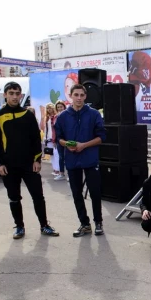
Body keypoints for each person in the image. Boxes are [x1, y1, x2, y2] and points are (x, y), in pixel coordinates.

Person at [0, 81, 59, 239]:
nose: (15, 97)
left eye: (17, 93)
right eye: (11, 93)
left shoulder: (28, 115)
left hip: (29, 164)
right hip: (9, 166)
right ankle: (19, 227)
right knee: (14, 198)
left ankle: (44, 225)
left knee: (38, 196)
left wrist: (37, 160)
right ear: (5, 95)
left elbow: (35, 138)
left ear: (21, 95)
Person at [55, 83, 106, 237]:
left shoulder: (94, 114)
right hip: (72, 160)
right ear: (70, 96)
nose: (79, 98)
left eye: (82, 95)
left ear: (85, 96)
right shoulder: (62, 116)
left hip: (90, 159)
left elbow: (101, 137)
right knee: (76, 193)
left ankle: (98, 222)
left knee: (95, 192)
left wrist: (84, 145)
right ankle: (84, 224)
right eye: (76, 95)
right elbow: (59, 138)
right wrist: (67, 144)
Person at [41, 103, 60, 176]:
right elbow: (45, 129)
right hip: (48, 138)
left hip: (54, 138)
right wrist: (45, 138)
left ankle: (58, 170)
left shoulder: (56, 117)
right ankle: (55, 169)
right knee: (51, 154)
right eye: (48, 108)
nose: (49, 109)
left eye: (50, 108)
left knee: (56, 154)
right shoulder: (47, 117)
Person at [54, 101, 67, 181]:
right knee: (61, 157)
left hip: (67, 140)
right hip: (59, 140)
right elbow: (54, 130)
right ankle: (61, 173)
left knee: (67, 157)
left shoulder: (68, 116)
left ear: (64, 107)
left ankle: (70, 174)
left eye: (61, 107)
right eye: (58, 107)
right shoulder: (55, 117)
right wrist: (55, 140)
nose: (59, 108)